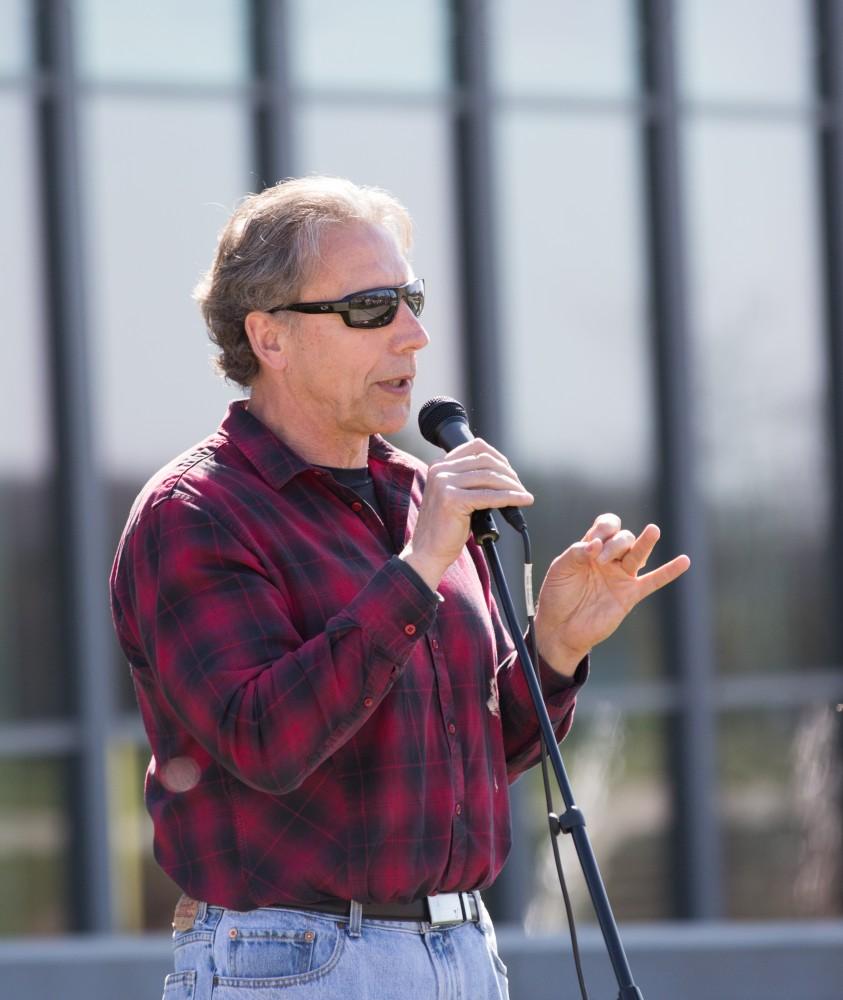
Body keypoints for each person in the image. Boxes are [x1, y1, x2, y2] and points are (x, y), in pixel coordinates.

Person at [109, 175, 689, 1000]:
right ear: (269, 337)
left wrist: (554, 647)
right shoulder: (198, 513)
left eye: (411, 299)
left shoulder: (420, 496)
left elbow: (466, 762)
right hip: (294, 962)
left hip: (461, 951)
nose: (414, 336)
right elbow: (266, 744)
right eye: (372, 307)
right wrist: (416, 570)